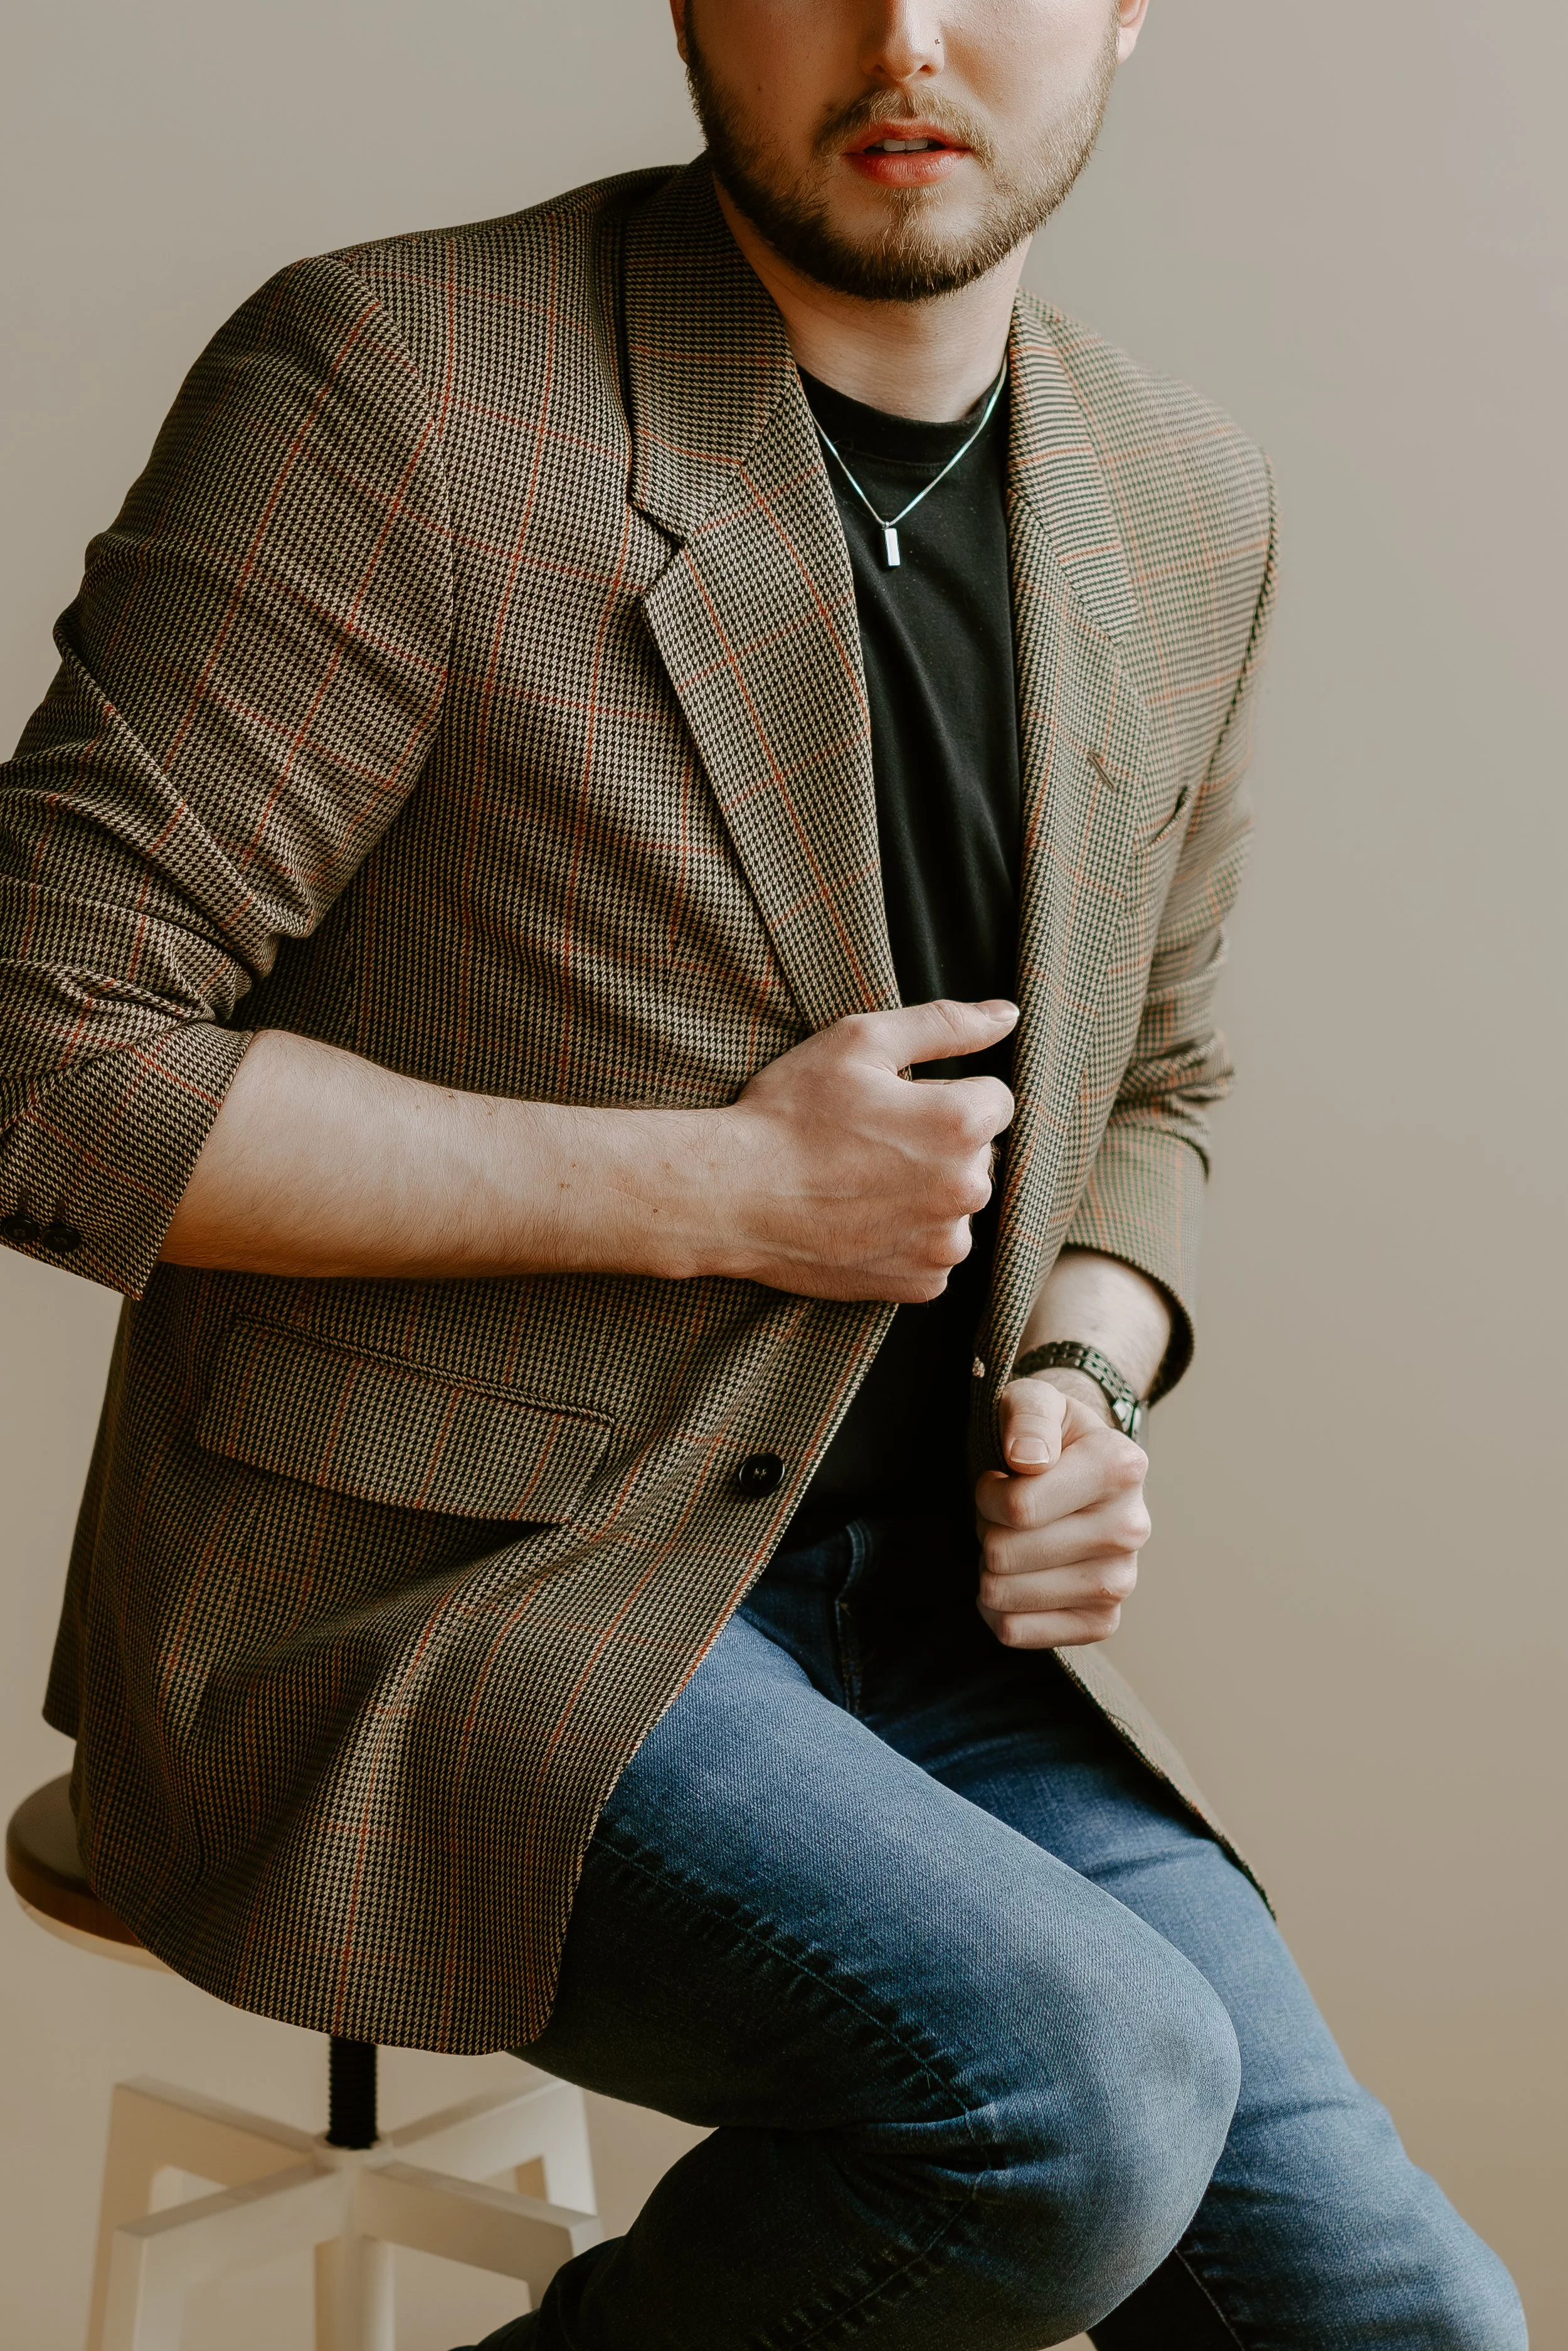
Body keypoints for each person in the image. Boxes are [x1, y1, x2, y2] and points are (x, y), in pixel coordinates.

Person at [0, 0, 1527, 2343]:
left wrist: (1092, 1378)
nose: (901, 33)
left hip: (924, 1637)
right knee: (1083, 2093)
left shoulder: (1182, 495)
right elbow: (37, 1040)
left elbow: (1159, 1077)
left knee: (1399, 2312)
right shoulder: (402, 389)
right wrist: (707, 1192)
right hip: (431, 1597)